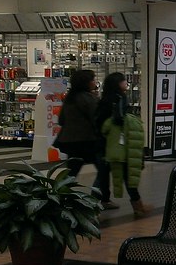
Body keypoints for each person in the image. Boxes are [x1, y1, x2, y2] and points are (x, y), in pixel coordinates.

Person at [55, 70, 111, 203]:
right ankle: (99, 198)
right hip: (88, 141)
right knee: (103, 169)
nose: (94, 82)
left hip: (70, 141)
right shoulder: (88, 99)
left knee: (72, 171)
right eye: (92, 80)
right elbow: (96, 119)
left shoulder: (70, 98)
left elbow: (61, 120)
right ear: (85, 83)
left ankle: (60, 195)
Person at [99, 72, 150, 216]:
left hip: (111, 144)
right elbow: (117, 120)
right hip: (118, 144)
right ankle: (137, 206)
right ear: (118, 84)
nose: (126, 82)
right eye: (123, 81)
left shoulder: (106, 100)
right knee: (125, 174)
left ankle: (136, 204)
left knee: (107, 175)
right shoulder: (118, 99)